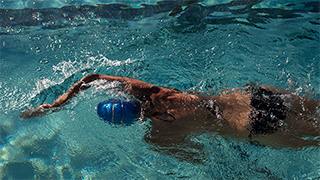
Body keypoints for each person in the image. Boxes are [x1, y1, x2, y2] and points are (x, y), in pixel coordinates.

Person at [20, 73, 319, 162]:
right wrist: (57, 103)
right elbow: (91, 78)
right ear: (124, 98)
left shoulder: (159, 139)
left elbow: (205, 158)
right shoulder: (155, 93)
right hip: (251, 96)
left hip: (251, 127)